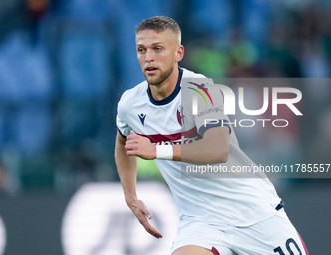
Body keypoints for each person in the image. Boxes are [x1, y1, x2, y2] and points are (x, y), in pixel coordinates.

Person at [115, 16, 309, 255]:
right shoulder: (130, 104)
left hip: (253, 213)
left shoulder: (201, 89)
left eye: (157, 49)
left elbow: (218, 149)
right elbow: (123, 140)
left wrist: (157, 150)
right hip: (201, 222)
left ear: (179, 53)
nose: (148, 58)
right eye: (141, 50)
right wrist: (130, 196)